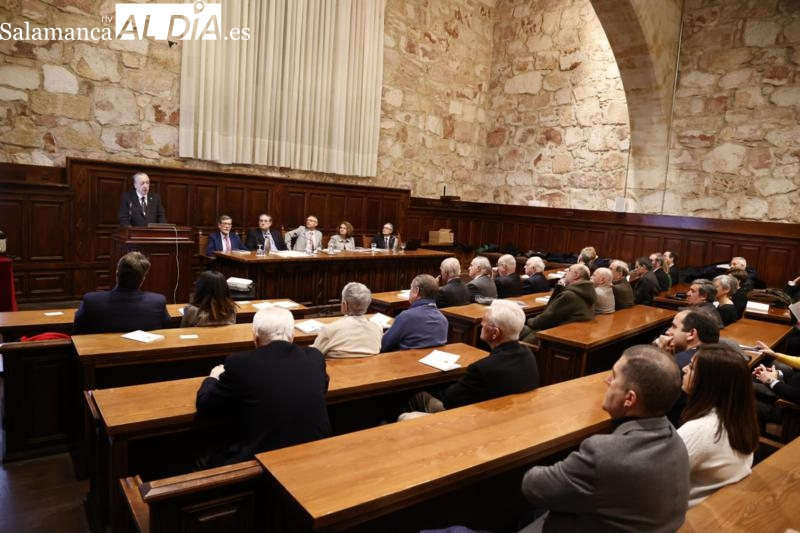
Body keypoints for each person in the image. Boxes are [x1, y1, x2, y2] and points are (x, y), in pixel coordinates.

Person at [518, 345, 688, 533]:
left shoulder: (603, 453)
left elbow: (533, 486)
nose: (607, 381)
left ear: (629, 399)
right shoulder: (676, 440)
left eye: (614, 377)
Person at [195, 307, 331, 467]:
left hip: (262, 457)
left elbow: (206, 406)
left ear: (255, 337)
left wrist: (212, 378)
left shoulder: (240, 363)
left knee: (202, 452)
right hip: (314, 450)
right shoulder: (315, 357)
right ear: (292, 336)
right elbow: (322, 386)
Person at [400, 300, 539, 418]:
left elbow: (449, 400)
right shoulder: (528, 354)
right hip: (509, 416)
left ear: (495, 333)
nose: (482, 324)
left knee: (418, 396)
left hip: (474, 420)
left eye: (485, 321)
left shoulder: (482, 368)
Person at [677, 343, 759, 507]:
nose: (684, 369)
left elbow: (658, 478)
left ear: (709, 383)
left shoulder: (701, 430)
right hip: (719, 504)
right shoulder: (739, 418)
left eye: (692, 368)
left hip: (691, 515)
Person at [74, 251, 170, 334]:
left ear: (117, 274)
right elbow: (167, 330)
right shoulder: (158, 302)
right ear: (142, 280)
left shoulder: (91, 301)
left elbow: (77, 332)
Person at [521, 264, 596, 344]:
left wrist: (528, 321)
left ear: (576, 275)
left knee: (517, 332)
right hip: (569, 330)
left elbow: (546, 319)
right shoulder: (587, 291)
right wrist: (560, 287)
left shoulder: (570, 295)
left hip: (557, 334)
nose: (566, 272)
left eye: (569, 270)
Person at [311, 282, 382, 358]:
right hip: (369, 369)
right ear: (367, 304)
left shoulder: (329, 330)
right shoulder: (378, 329)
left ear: (344, 305)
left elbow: (314, 355)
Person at [380, 274, 448, 352]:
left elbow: (384, 345)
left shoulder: (405, 317)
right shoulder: (443, 320)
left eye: (411, 288)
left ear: (416, 291)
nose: (410, 291)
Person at [752, 341, 800, 428]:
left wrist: (771, 381)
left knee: (739, 395)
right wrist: (778, 374)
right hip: (785, 394)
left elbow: (797, 395)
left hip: (789, 411)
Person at [655, 309, 721, 369]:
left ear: (692, 334)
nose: (667, 332)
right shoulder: (718, 358)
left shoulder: (677, 364)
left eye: (674, 327)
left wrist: (661, 356)